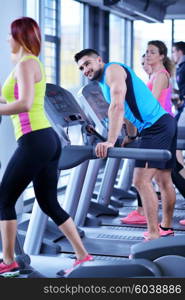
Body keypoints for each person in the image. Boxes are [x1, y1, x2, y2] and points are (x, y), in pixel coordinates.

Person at [0, 17, 93, 276]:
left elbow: (25, 104)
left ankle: (8, 261)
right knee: (49, 202)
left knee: (4, 199)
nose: (7, 39)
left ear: (19, 36)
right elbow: (10, 96)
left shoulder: (26, 64)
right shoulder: (28, 64)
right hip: (45, 140)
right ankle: (82, 255)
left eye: (10, 35)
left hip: (35, 139)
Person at [74, 48, 177, 240]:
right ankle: (165, 228)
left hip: (155, 127)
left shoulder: (112, 70)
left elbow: (118, 105)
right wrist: (130, 136)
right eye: (81, 68)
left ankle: (153, 235)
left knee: (140, 181)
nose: (85, 70)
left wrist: (111, 140)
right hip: (162, 123)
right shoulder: (105, 82)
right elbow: (128, 112)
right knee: (163, 181)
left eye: (87, 64)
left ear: (99, 60)